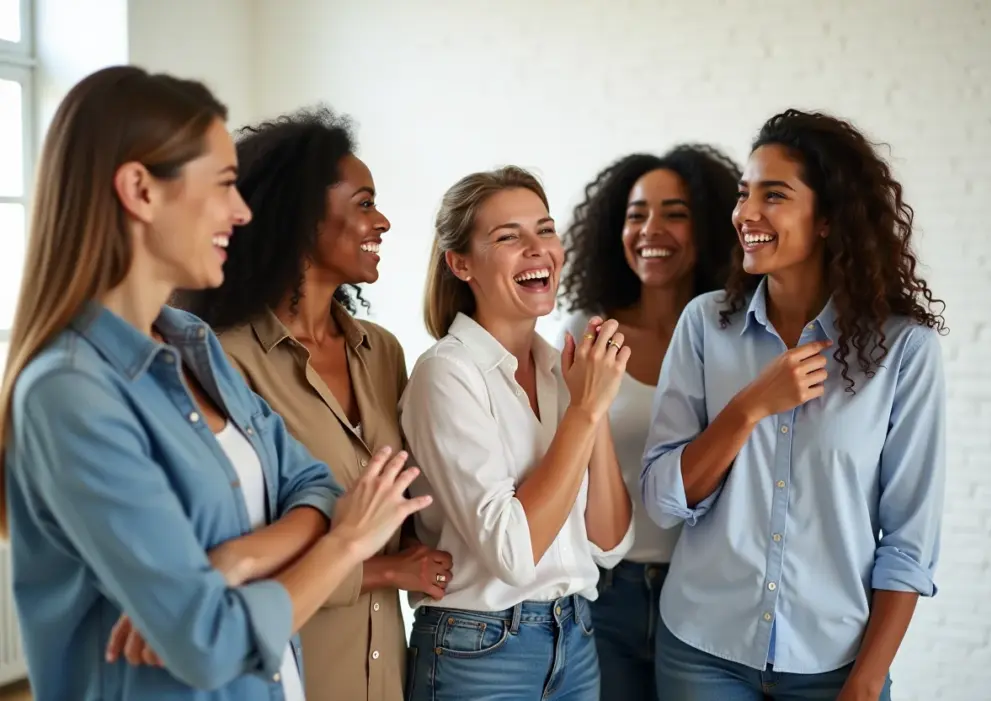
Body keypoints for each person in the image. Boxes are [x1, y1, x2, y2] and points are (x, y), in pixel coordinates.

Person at [0, 66, 430, 701]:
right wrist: (345, 542)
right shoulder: (70, 394)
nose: (243, 210)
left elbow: (313, 485)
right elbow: (208, 640)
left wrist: (241, 558)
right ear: (140, 191)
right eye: (224, 184)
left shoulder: (193, 347)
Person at [642, 109, 947, 701]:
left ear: (829, 217)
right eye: (744, 194)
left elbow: (909, 538)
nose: (746, 213)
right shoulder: (706, 324)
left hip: (835, 663)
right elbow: (662, 498)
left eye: (773, 195)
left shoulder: (905, 350)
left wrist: (866, 681)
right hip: (703, 650)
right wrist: (749, 408)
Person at [175, 106, 452, 701]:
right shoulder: (224, 361)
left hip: (386, 670)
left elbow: (396, 517)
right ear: (301, 218)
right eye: (364, 203)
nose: (382, 221)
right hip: (292, 668)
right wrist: (383, 571)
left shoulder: (382, 352)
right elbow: (230, 554)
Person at [399, 166, 636, 700]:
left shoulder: (561, 371)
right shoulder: (446, 375)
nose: (537, 249)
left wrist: (591, 404)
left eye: (545, 229)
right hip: (480, 651)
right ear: (461, 263)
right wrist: (584, 411)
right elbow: (512, 553)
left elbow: (609, 543)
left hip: (576, 640)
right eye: (508, 237)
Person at [559, 144, 740, 701]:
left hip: (707, 591)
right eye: (636, 214)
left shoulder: (735, 337)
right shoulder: (590, 333)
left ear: (709, 228)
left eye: (675, 213)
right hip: (604, 591)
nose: (650, 229)